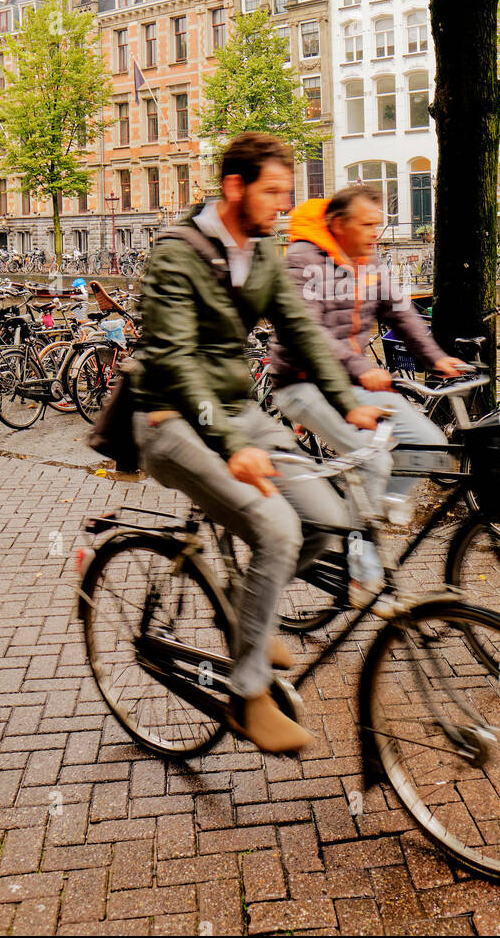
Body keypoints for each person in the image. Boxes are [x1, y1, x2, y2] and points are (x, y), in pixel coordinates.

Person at [130, 134, 381, 755]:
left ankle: (247, 609)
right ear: (234, 188)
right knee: (276, 528)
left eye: (286, 194)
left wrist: (348, 400)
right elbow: (179, 361)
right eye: (272, 192)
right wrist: (230, 443)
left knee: (329, 519)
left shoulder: (263, 255)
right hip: (171, 417)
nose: (282, 205)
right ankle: (247, 695)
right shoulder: (177, 255)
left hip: (235, 413)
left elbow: (301, 328)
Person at [270, 185, 468, 517]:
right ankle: (356, 555)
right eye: (366, 225)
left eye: (377, 225)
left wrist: (434, 357)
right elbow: (309, 333)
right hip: (303, 383)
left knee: (429, 442)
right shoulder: (303, 259)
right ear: (337, 224)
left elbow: (399, 310)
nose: (374, 234)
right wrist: (361, 368)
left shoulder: (369, 260)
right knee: (375, 460)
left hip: (352, 382)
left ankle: (366, 513)